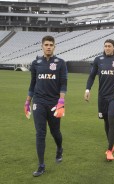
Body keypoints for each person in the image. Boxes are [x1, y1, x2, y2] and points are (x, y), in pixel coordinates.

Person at [24, 35, 68, 177]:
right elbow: (32, 84)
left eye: (51, 44)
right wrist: (27, 101)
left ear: (54, 47)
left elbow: (63, 83)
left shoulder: (60, 63)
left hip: (54, 103)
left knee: (55, 132)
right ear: (41, 46)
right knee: (40, 133)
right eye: (46, 44)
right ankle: (41, 165)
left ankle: (59, 148)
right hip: (39, 102)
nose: (48, 47)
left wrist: (61, 101)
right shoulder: (35, 63)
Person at [84, 39, 114, 161]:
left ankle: (109, 151)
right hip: (102, 96)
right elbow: (92, 76)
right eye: (105, 46)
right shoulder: (98, 60)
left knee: (112, 120)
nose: (107, 48)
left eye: (109, 46)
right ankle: (111, 144)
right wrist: (87, 90)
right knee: (106, 122)